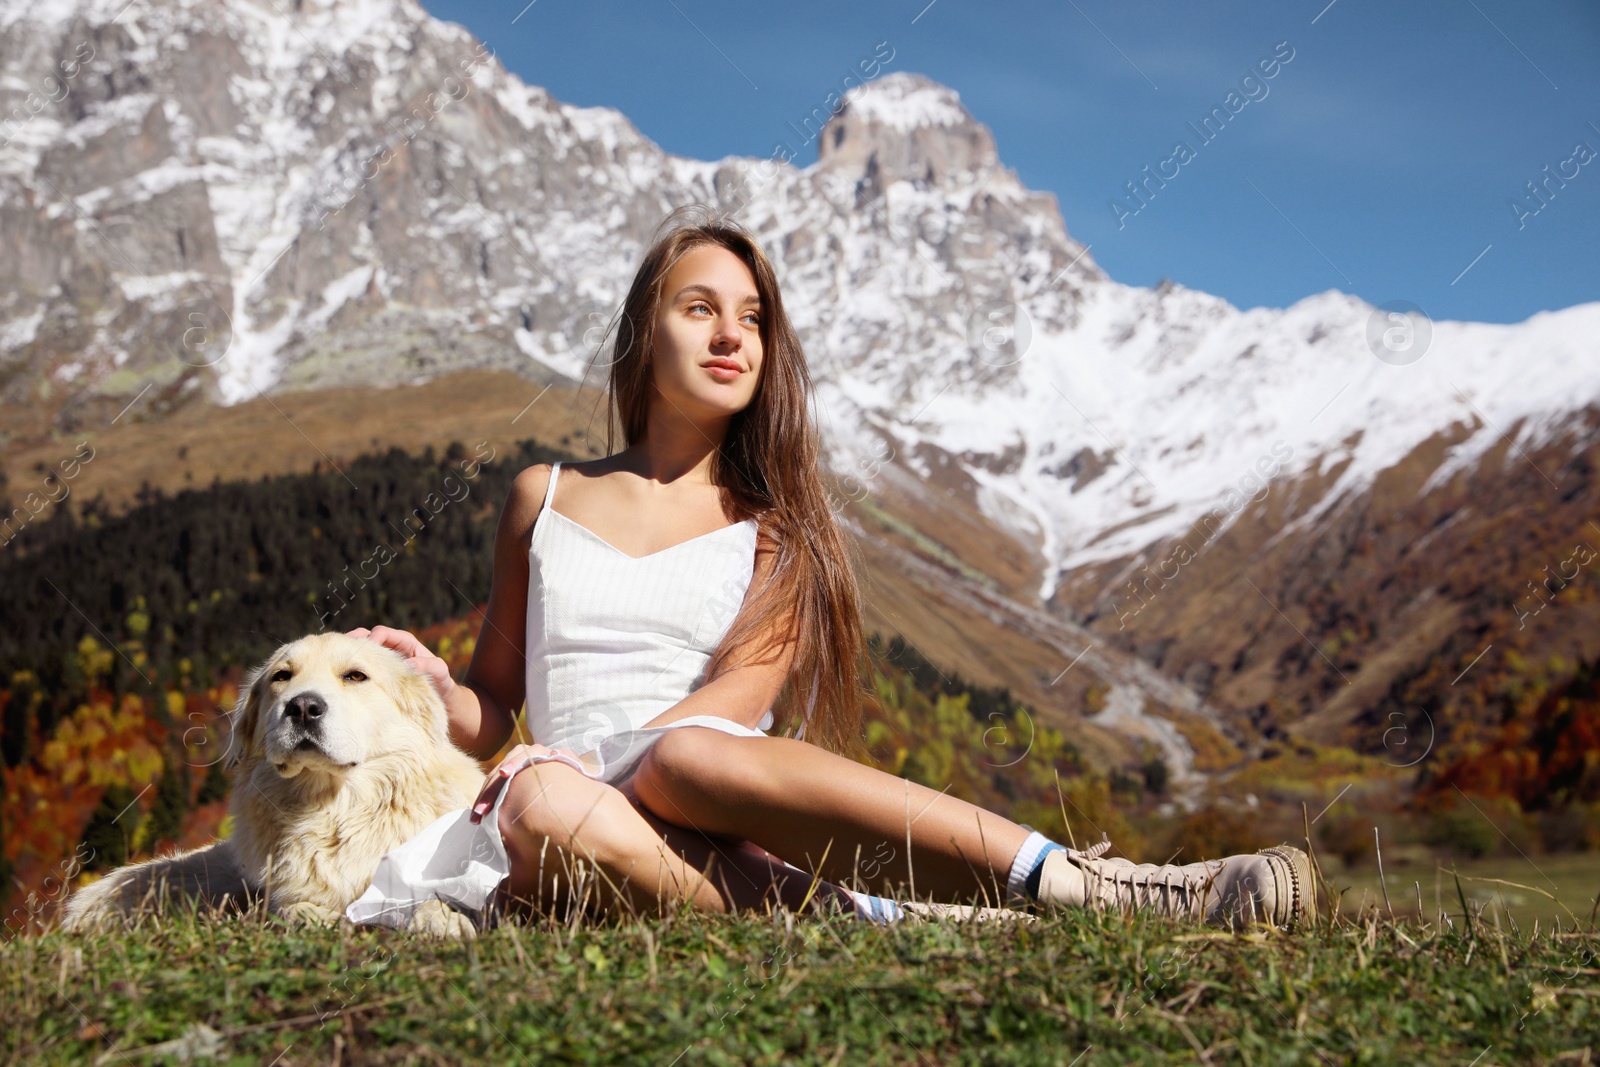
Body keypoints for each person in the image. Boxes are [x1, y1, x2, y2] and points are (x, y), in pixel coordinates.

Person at [351, 205, 1315, 930]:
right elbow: (492, 709)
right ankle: (851, 912)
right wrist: (437, 694)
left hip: (702, 797)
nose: (733, 335)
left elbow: (733, 706)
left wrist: (583, 759)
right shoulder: (543, 494)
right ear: (647, 332)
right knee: (542, 797)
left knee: (684, 755)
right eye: (700, 308)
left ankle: (1088, 884)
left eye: (754, 318)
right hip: (566, 816)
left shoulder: (778, 528)